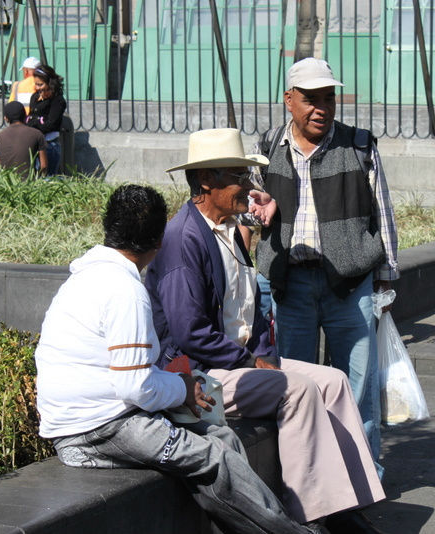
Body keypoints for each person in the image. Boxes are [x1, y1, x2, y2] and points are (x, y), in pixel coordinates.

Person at [34, 184, 321, 534]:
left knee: (223, 437)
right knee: (212, 459)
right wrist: (183, 388)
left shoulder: (92, 275)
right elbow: (134, 386)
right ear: (159, 242)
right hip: (95, 430)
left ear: (109, 229)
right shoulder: (123, 291)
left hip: (108, 417)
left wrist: (178, 386)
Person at [146, 128, 386, 534]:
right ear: (207, 182)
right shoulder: (183, 239)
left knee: (333, 382)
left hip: (236, 362)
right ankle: (311, 514)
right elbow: (189, 333)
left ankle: (348, 506)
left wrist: (263, 354)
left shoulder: (225, 230)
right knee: (298, 389)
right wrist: (252, 360)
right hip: (200, 376)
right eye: (239, 176)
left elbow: (249, 310)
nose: (249, 186)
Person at [252, 57, 400, 463]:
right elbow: (252, 208)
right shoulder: (268, 146)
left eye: (328, 98)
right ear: (289, 100)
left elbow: (382, 215)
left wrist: (385, 281)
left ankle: (363, 478)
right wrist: (259, 209)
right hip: (292, 285)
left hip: (351, 287)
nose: (321, 108)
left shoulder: (360, 145)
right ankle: (307, 475)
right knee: (298, 387)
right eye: (310, 99)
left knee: (358, 390)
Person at [26, 64, 66, 175]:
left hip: (49, 145)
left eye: (40, 84)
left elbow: (51, 124)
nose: (37, 88)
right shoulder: (35, 97)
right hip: (35, 144)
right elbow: (29, 117)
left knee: (48, 177)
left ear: (50, 83)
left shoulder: (57, 100)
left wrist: (33, 124)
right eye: (36, 84)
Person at [0, 101, 47, 178]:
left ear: (6, 118)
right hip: (29, 184)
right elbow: (43, 166)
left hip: (8, 185)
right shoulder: (37, 134)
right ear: (25, 116)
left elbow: (1, 164)